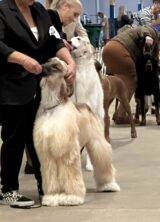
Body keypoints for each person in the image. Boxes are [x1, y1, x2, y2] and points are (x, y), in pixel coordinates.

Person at [0, 0, 76, 207]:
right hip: (12, 85)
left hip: (42, 87)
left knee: (40, 141)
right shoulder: (3, 10)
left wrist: (70, 62)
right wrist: (21, 59)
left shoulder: (40, 10)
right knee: (14, 139)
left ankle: (47, 188)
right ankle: (8, 190)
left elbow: (55, 41)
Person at [102, 19, 160, 124]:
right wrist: (147, 37)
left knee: (116, 84)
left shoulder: (145, 32)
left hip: (107, 50)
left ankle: (104, 113)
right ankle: (121, 114)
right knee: (133, 79)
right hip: (120, 51)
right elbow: (145, 31)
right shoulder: (152, 31)